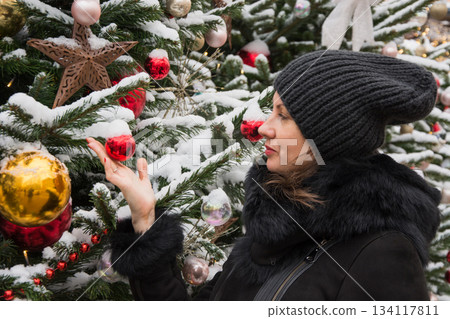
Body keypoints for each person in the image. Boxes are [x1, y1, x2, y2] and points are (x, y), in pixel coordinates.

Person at [86, 50, 441, 300]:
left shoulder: (381, 252)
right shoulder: (273, 230)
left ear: (326, 137)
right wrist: (145, 219)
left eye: (283, 116)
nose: (264, 129)